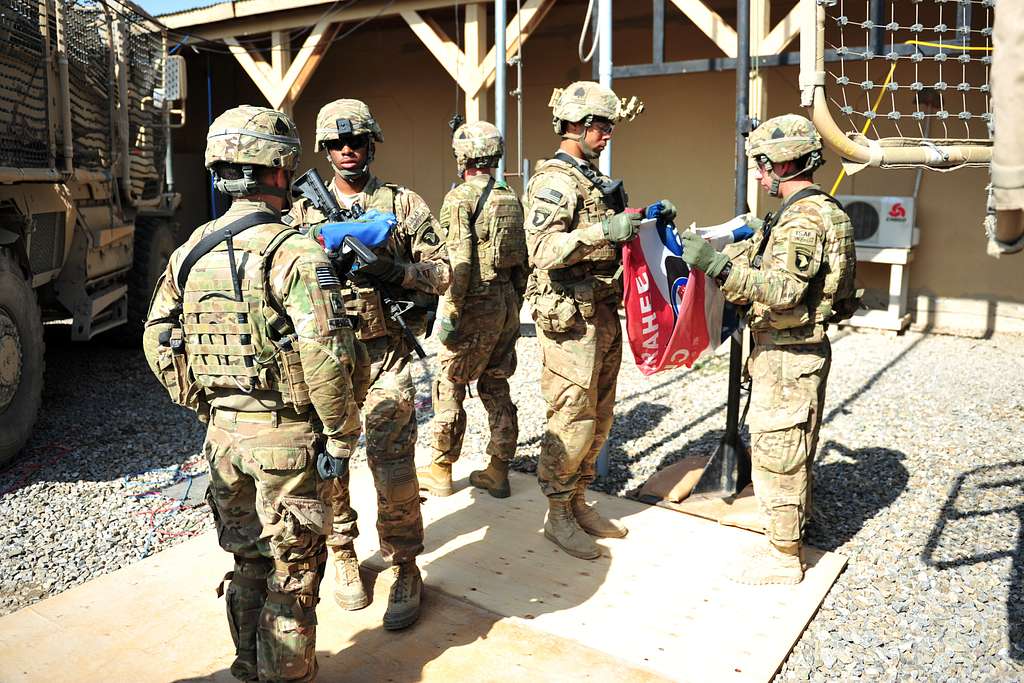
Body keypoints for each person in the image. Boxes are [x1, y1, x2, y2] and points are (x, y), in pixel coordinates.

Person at [143, 105, 362, 681]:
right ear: (279, 168)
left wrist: (203, 402)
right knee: (292, 575)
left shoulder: (190, 250)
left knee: (246, 563)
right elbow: (324, 353)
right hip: (284, 441)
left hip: (223, 439)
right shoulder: (293, 251)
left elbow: (156, 335)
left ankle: (247, 667)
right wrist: (341, 436)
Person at [288, 98, 450, 630]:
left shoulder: (402, 204)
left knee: (394, 462)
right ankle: (340, 552)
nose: (347, 150)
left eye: (356, 140)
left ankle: (405, 564)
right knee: (328, 462)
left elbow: (443, 272)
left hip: (384, 355)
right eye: (336, 143)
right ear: (325, 149)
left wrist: (395, 270)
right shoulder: (300, 211)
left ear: (372, 142)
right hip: (325, 357)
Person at [679, 113, 858, 585]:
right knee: (793, 445)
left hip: (788, 353)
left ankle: (784, 557)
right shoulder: (812, 211)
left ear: (782, 164)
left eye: (761, 165)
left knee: (778, 451)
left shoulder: (802, 220)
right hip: (791, 350)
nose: (758, 175)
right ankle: (794, 523)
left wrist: (717, 266)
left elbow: (781, 290)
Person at [524, 81, 676, 560]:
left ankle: (578, 499)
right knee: (572, 416)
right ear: (575, 124)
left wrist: (644, 218)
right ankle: (558, 514)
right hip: (571, 320)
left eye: (609, 126)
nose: (608, 134)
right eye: (601, 126)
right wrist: (600, 230)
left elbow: (613, 233)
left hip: (603, 312)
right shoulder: (555, 181)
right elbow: (542, 250)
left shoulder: (589, 178)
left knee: (601, 414)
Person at [416, 121, 528, 499]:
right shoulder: (510, 197)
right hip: (506, 304)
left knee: (449, 383)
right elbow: (521, 263)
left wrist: (448, 316)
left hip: (472, 305)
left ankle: (441, 469)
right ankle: (499, 468)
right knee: (496, 384)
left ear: (462, 157)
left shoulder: (459, 198)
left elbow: (459, 262)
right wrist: (514, 306)